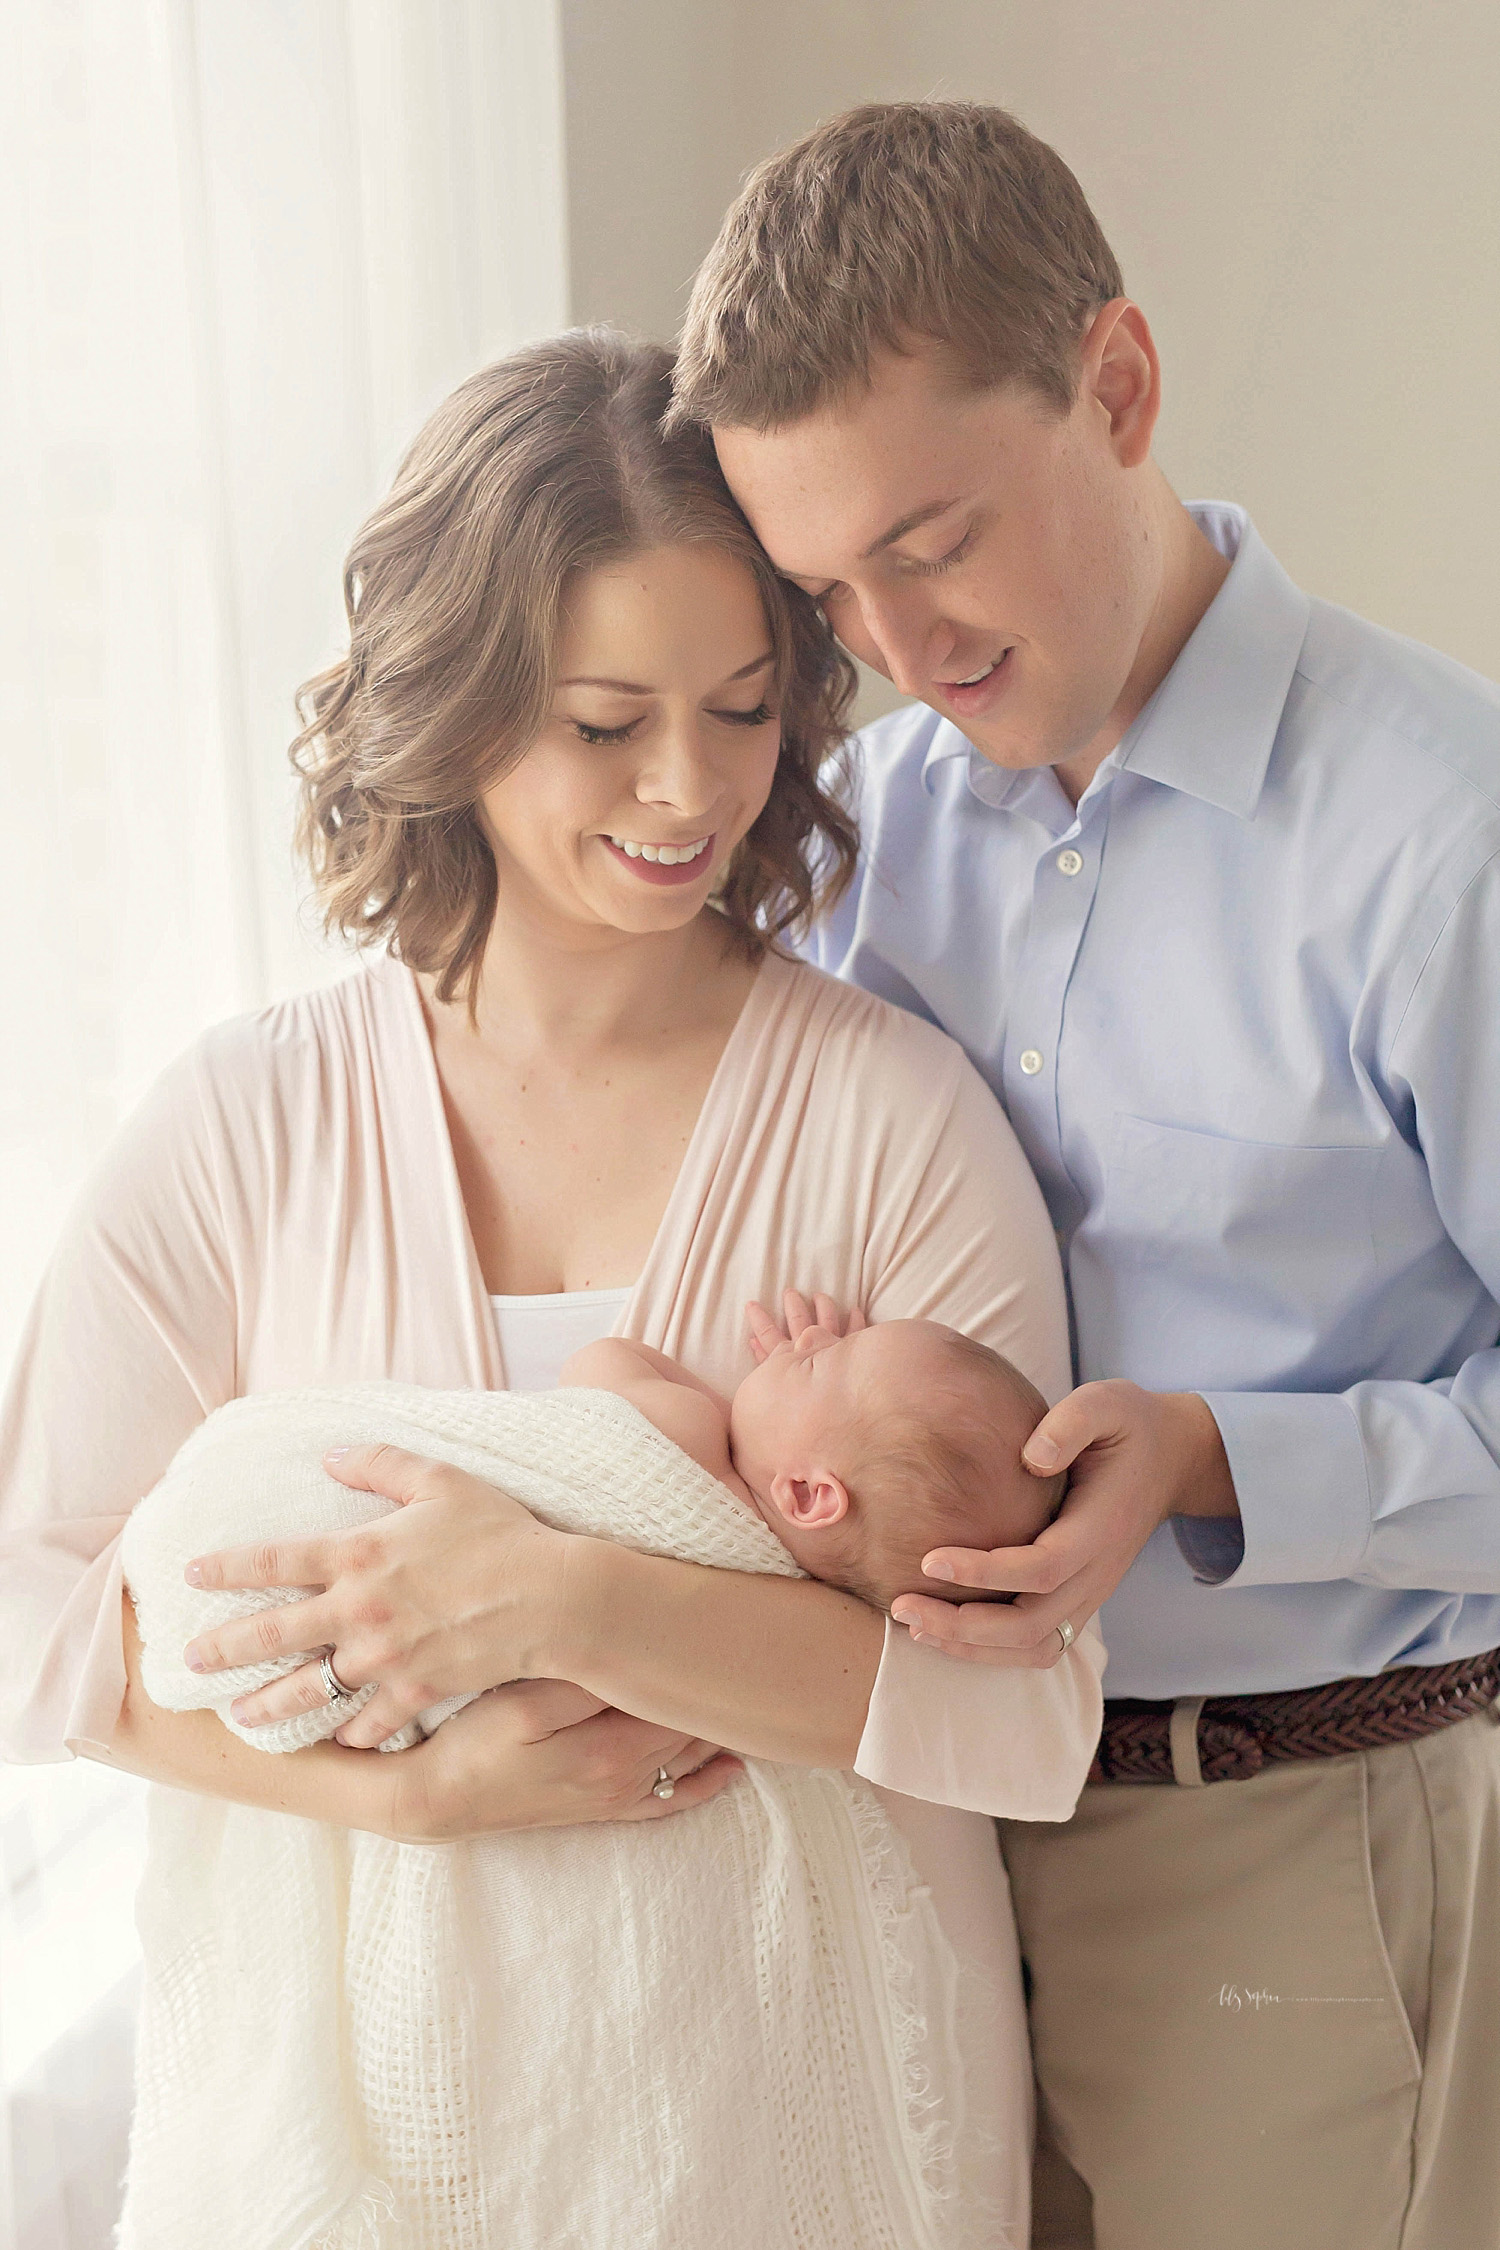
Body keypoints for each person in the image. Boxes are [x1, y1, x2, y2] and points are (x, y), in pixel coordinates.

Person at [0, 329, 1104, 2247]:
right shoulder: (248, 1121)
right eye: (607, 723)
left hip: (804, 2153)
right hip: (383, 2165)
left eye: (748, 708)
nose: (692, 791)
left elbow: (1020, 1716)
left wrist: (569, 1596)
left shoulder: (893, 1118)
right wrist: (401, 1800)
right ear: (458, 706)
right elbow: (28, 1610)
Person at [671, 98, 1500, 2250]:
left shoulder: (1441, 842)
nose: (896, 637)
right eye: (829, 585)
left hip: (1293, 1839)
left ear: (1116, 388)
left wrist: (1225, 1456)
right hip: (936, 1849)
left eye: (931, 538)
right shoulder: (868, 838)